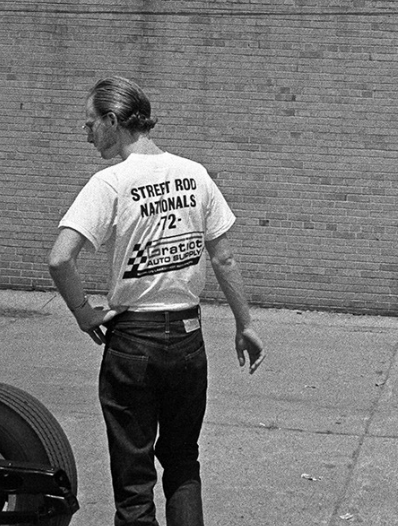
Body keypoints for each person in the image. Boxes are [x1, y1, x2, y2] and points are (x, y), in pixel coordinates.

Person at [48, 76, 265, 526]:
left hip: (133, 344)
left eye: (91, 123)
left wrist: (84, 314)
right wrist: (246, 324)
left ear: (113, 121)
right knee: (184, 462)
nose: (85, 133)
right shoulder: (195, 174)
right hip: (187, 340)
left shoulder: (111, 183)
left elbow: (59, 259)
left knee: (134, 481)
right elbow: (223, 257)